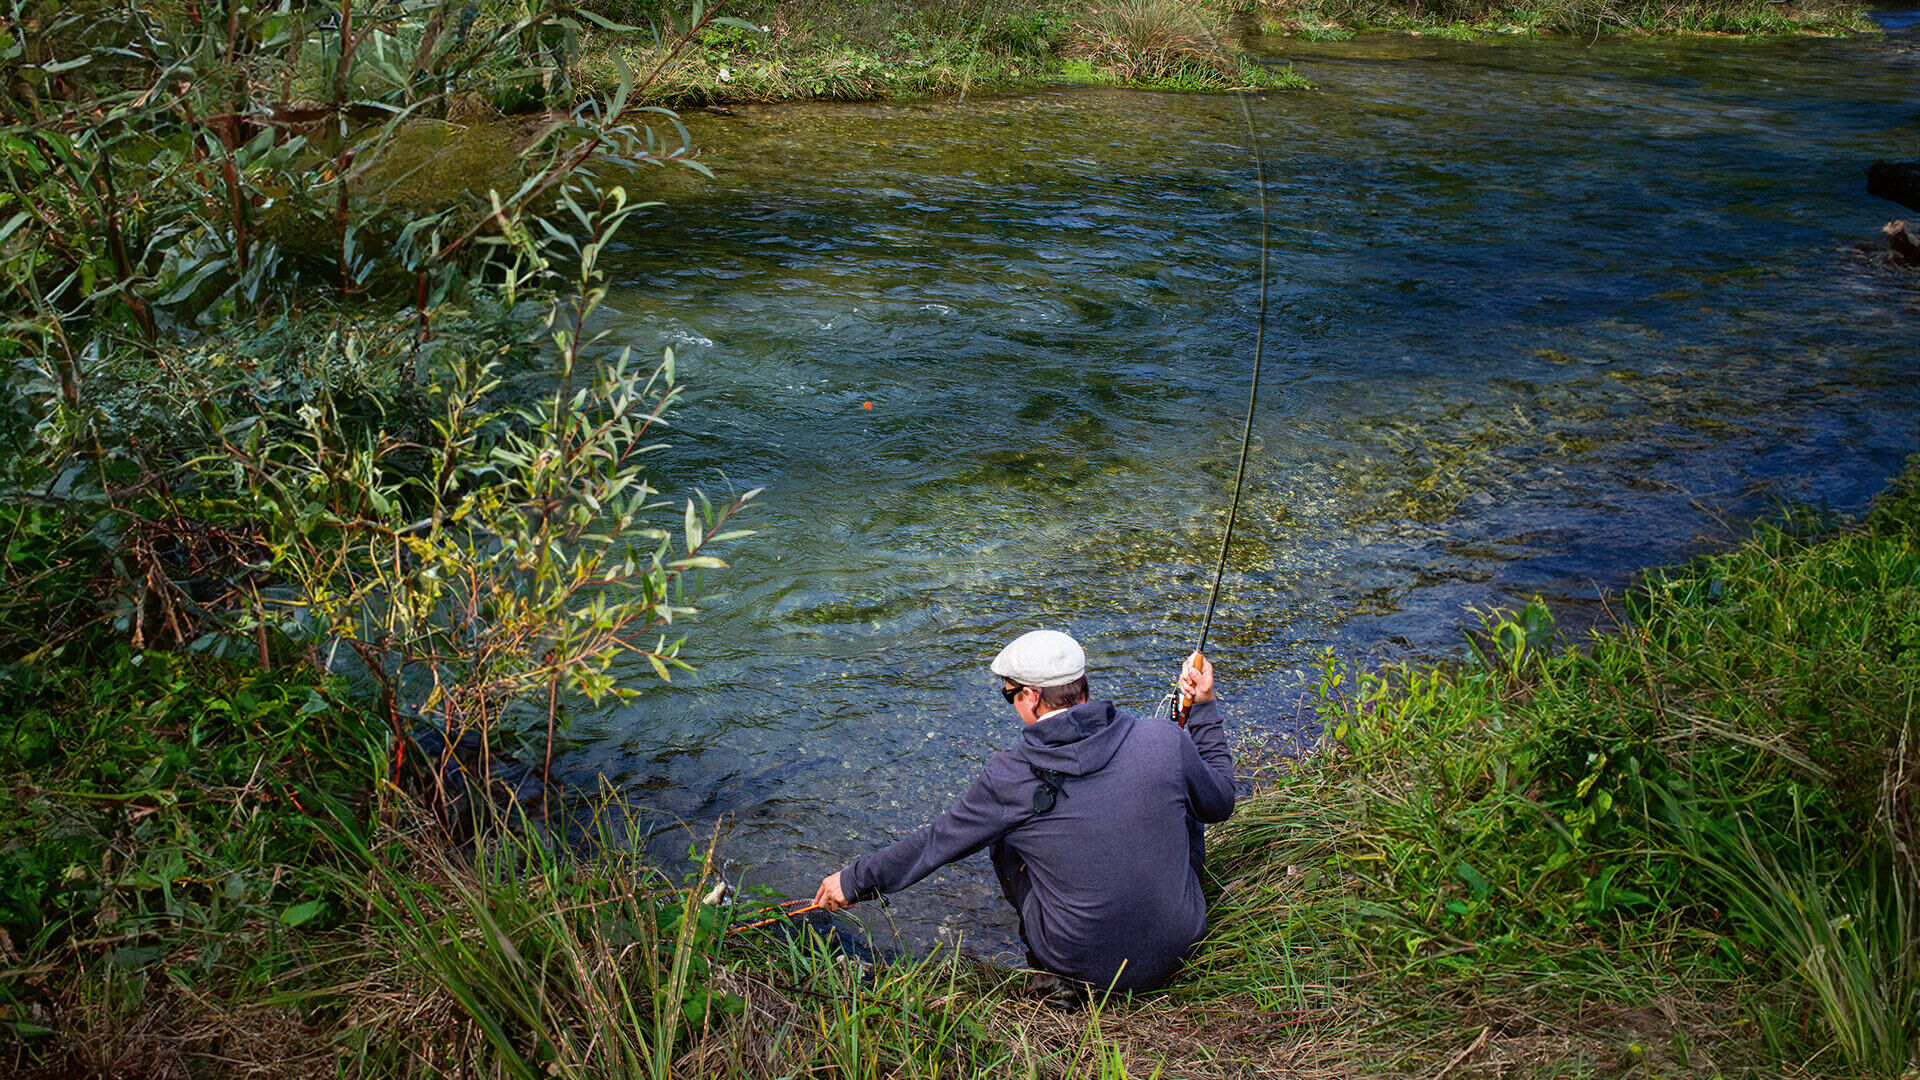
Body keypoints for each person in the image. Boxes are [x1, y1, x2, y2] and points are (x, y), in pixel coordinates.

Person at [813, 629, 1236, 994]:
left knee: (1002, 833)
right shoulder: (1163, 738)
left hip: (1084, 970)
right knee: (1181, 793)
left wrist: (854, 880)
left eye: (1009, 694)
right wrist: (1203, 706)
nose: (1012, 704)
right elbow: (1220, 803)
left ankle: (1045, 963)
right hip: (1183, 944)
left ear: (1031, 696)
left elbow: (939, 841)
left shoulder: (1008, 776)